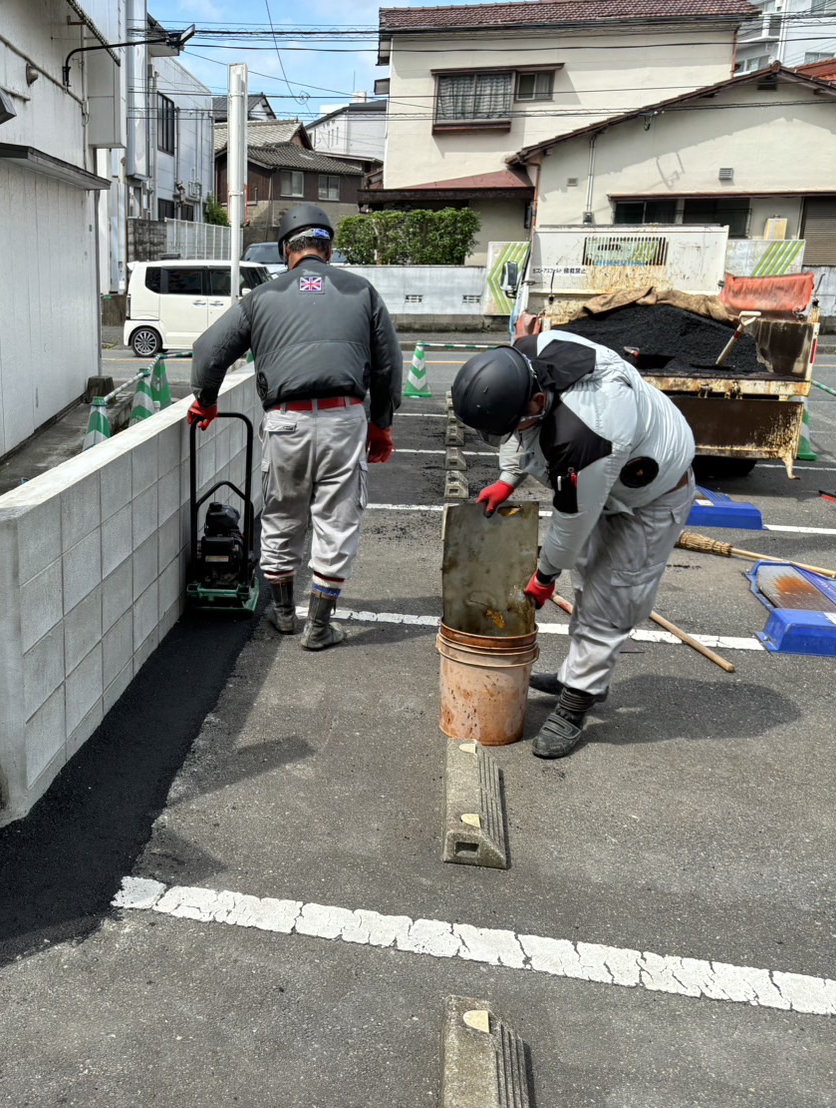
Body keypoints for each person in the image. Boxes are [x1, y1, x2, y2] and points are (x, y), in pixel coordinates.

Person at [452, 332, 696, 758]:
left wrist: (546, 575)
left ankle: (576, 703)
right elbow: (519, 436)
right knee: (589, 576)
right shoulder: (520, 362)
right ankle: (577, 675)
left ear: (537, 403)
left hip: (650, 495)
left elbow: (574, 517)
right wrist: (509, 478)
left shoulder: (588, 433)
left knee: (614, 593)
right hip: (607, 477)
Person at [189, 204, 403, 650]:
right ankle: (320, 626)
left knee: (282, 514)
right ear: (328, 248)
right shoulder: (362, 292)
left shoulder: (262, 297)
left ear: (287, 249)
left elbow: (209, 351)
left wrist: (207, 402)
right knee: (337, 518)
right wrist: (380, 425)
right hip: (345, 417)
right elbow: (388, 366)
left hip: (285, 422)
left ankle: (284, 613)